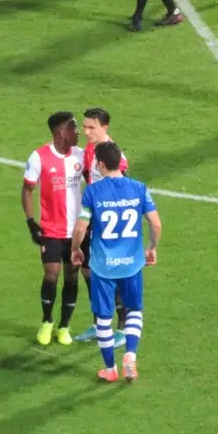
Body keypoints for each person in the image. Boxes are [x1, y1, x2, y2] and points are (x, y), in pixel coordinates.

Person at [71, 141, 162, 382]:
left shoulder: (93, 191)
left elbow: (81, 226)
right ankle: (130, 355)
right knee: (134, 310)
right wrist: (151, 248)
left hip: (103, 265)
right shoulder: (139, 188)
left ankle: (110, 368)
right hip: (132, 263)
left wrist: (75, 249)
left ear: (100, 164)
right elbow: (156, 223)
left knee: (103, 318)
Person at [23, 111, 86, 345]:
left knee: (72, 276)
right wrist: (31, 222)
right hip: (50, 230)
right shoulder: (39, 157)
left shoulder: (80, 155)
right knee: (51, 276)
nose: (78, 132)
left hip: (77, 231)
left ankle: (64, 326)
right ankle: (47, 321)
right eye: (74, 128)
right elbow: (27, 189)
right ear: (63, 132)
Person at [75, 108, 129, 344]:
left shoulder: (116, 157)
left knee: (112, 275)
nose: (85, 132)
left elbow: (122, 190)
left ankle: (122, 329)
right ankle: (98, 324)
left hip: (109, 225)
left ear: (104, 127)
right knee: (89, 271)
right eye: (84, 126)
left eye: (91, 127)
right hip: (91, 222)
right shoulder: (89, 150)